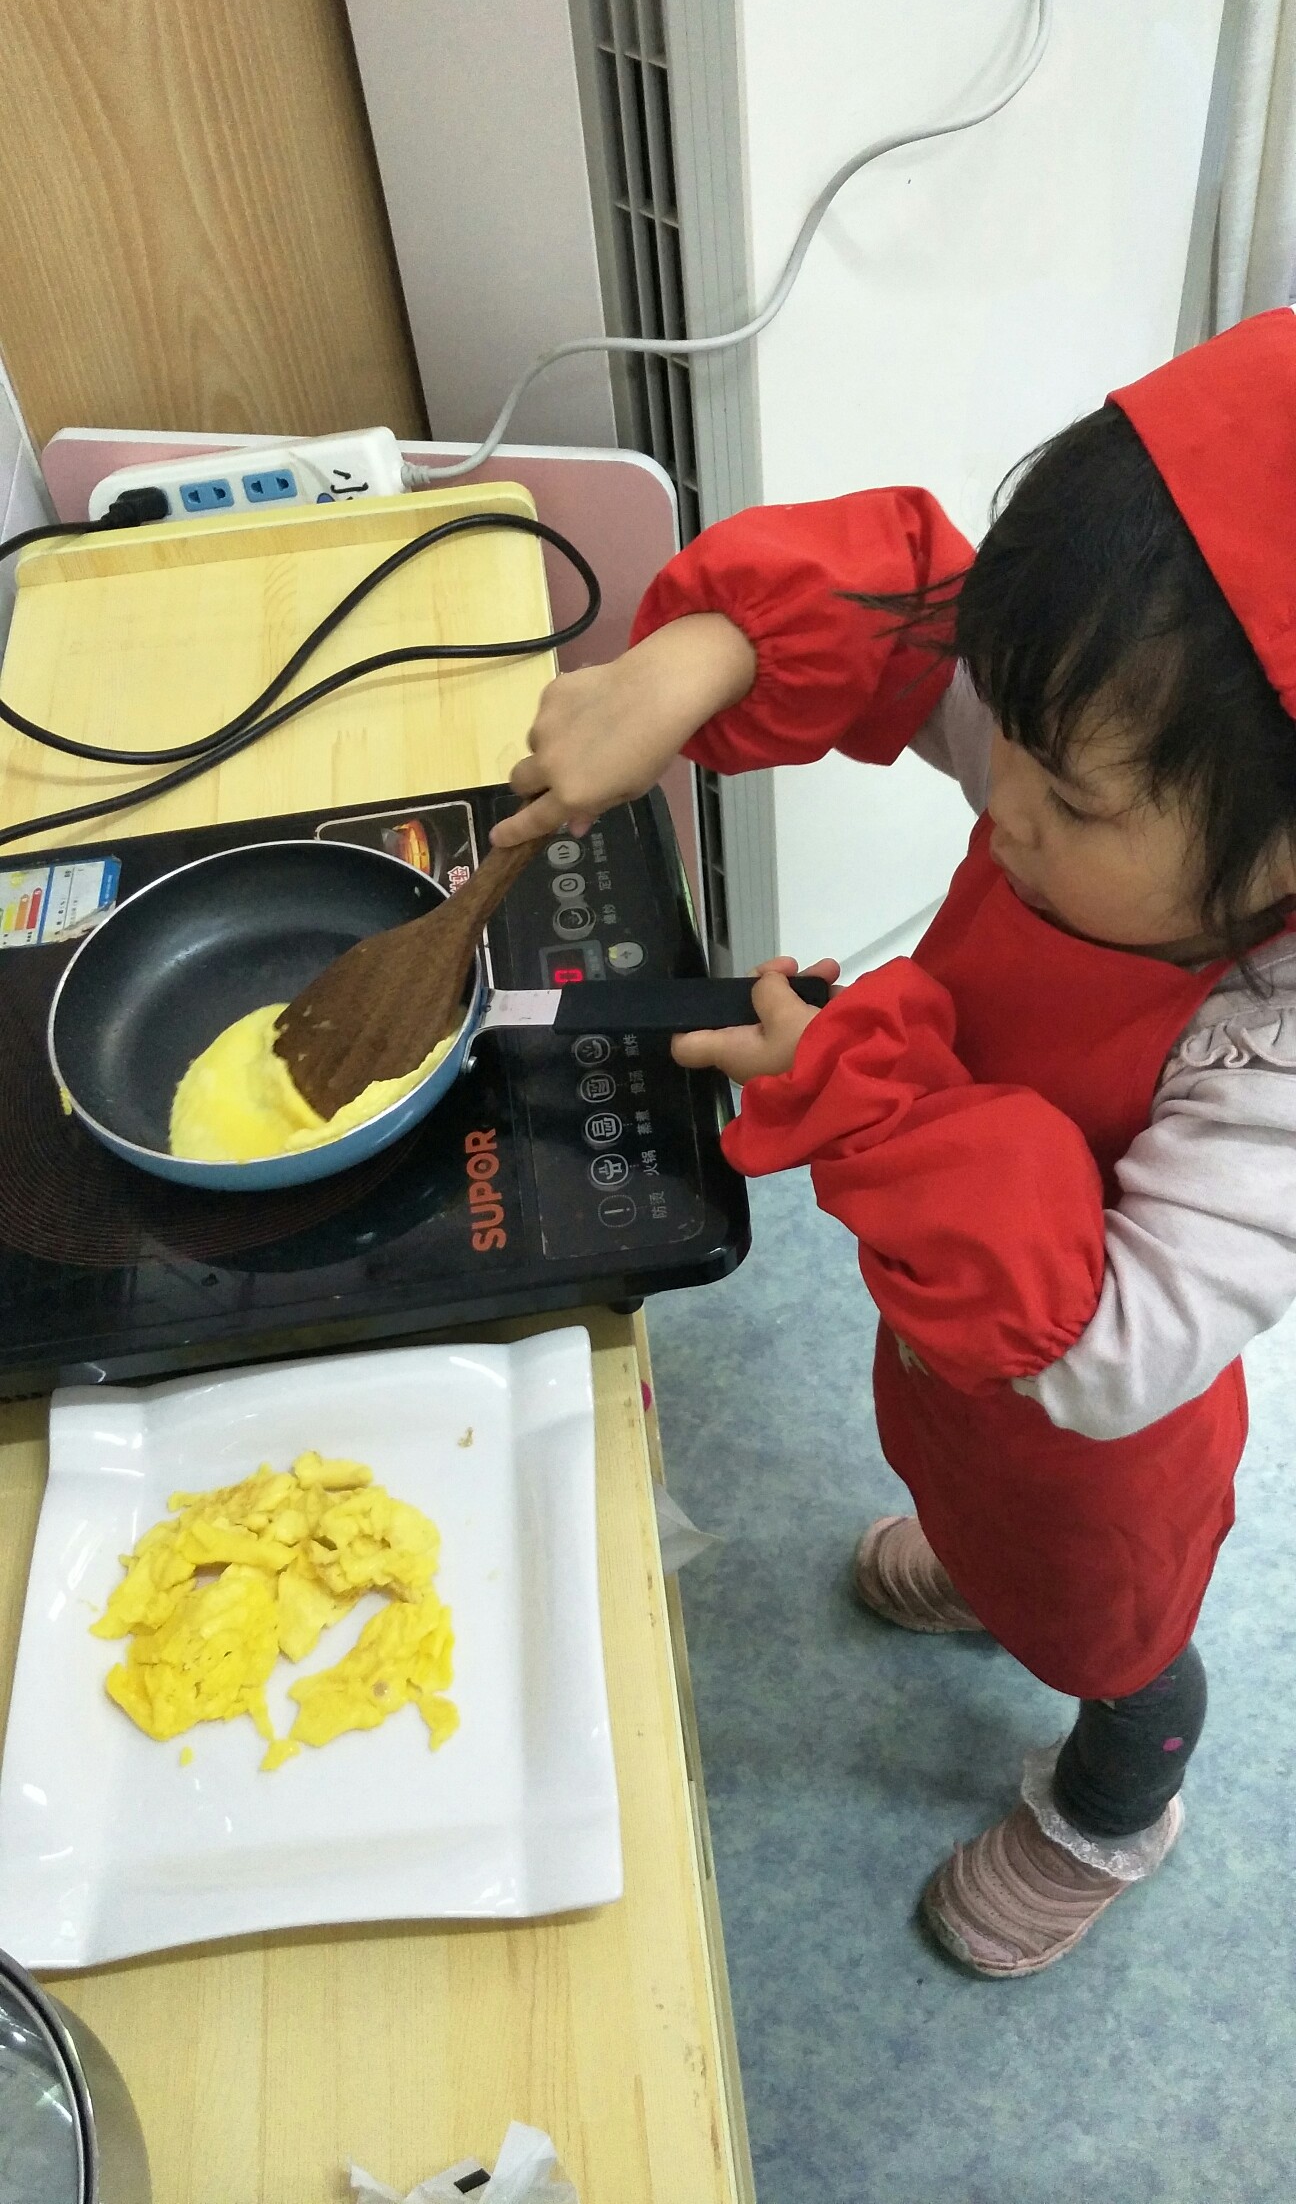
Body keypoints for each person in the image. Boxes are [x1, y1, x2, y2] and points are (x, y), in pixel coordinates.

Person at [494, 308, 1296, 1977]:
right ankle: (982, 1570)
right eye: (1019, 743)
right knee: (955, 1481)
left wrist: (866, 1091)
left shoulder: (1270, 1057)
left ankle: (1113, 1811)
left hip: (1096, 1462)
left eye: (1068, 803)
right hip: (946, 1327)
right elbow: (920, 640)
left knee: (1116, 1643)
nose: (1003, 801)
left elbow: (1100, 1346)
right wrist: (703, 656)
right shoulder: (1108, 760)